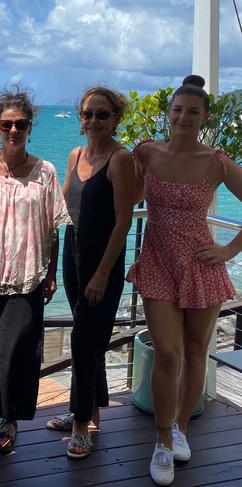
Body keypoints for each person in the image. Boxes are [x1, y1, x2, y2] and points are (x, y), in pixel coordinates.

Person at [127, 75, 242, 485]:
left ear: (205, 117)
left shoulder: (216, 161)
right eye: (178, 110)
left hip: (200, 263)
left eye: (193, 111)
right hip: (158, 260)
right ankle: (161, 440)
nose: (184, 117)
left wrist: (229, 250)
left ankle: (181, 430)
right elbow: (128, 196)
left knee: (196, 351)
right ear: (169, 113)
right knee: (168, 353)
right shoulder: (145, 152)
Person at [0, 87, 70, 454]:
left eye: (20, 124)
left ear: (29, 127)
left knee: (14, 354)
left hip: (26, 280)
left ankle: (9, 417)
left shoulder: (45, 173)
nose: (13, 130)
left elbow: (53, 226)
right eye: (7, 124)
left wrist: (51, 272)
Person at [47, 87, 136, 459]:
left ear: (116, 119)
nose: (93, 121)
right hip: (73, 255)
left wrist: (101, 274)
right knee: (88, 337)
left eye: (102, 114)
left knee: (84, 341)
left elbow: (123, 223)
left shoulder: (121, 159)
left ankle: (81, 423)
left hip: (103, 262)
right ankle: (90, 409)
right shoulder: (75, 155)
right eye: (87, 114)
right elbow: (62, 203)